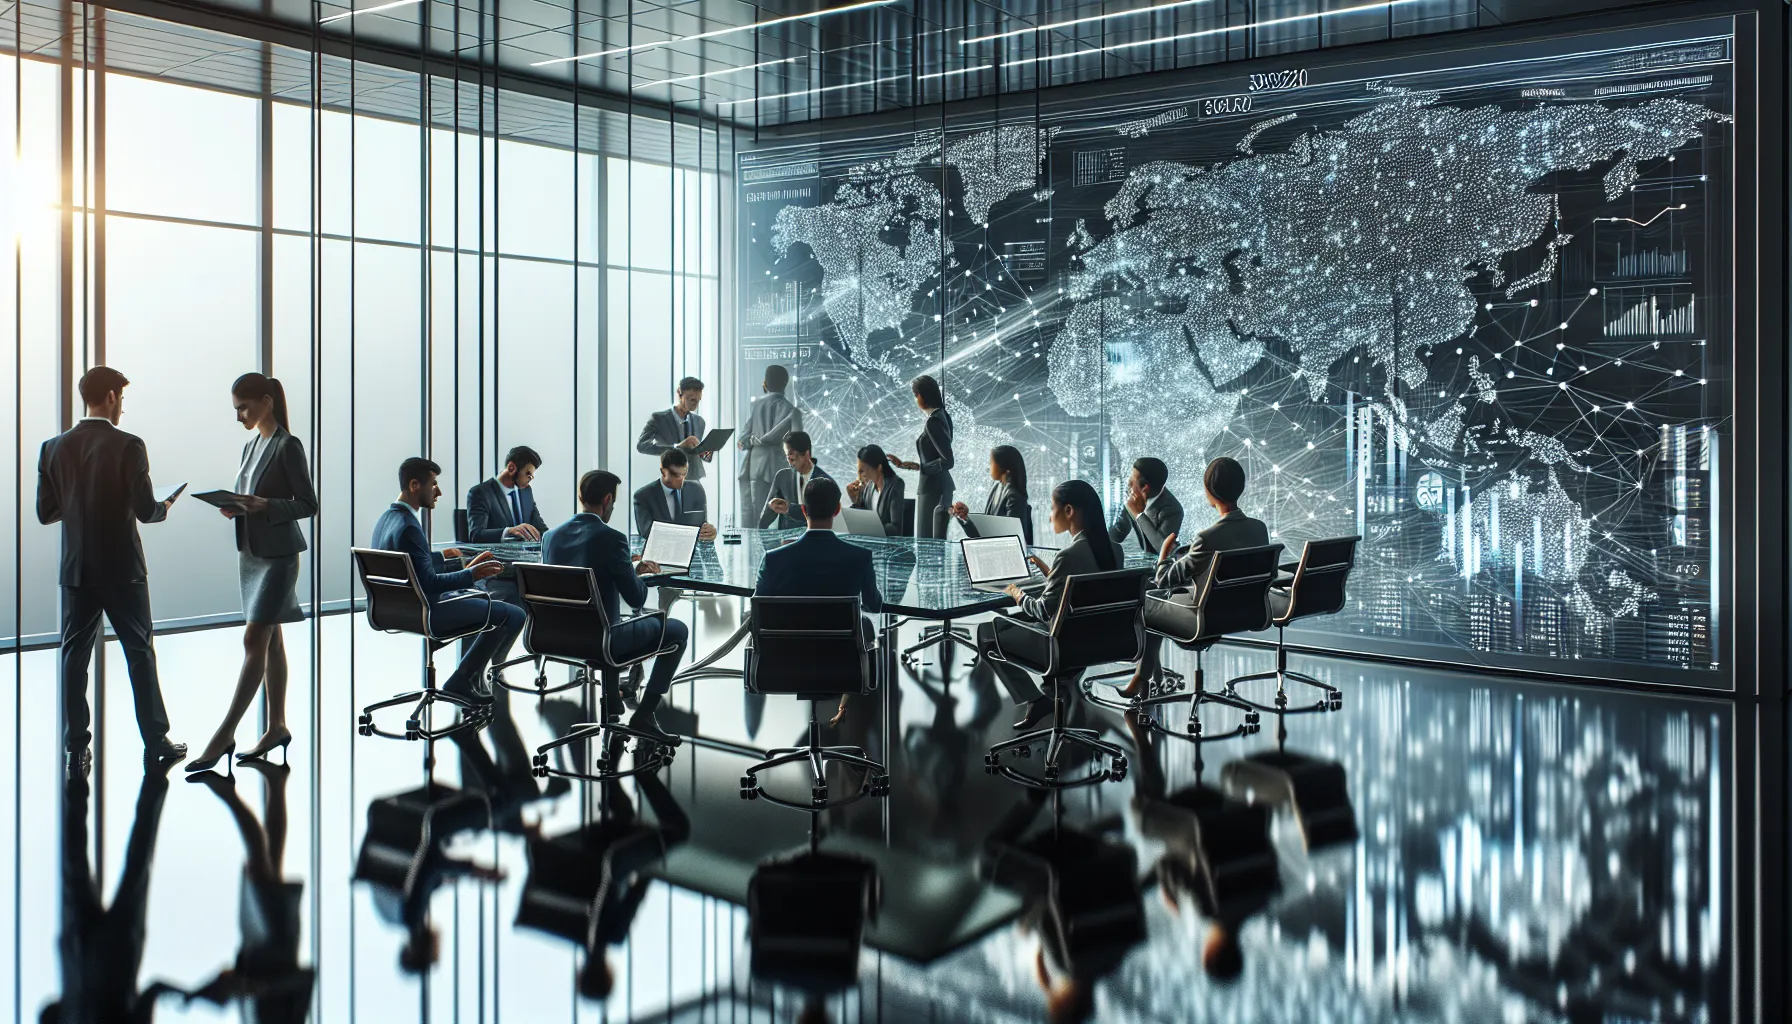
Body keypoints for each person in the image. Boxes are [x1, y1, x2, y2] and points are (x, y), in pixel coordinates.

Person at [37, 365, 186, 774]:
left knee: (74, 657)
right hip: (123, 570)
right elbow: (145, 510)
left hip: (77, 571)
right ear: (111, 398)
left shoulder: (52, 448)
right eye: (122, 398)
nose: (122, 408)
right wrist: (165, 508)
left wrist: (77, 500)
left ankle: (75, 749)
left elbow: (45, 512)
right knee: (139, 653)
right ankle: (157, 741)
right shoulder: (129, 445)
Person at [189, 373, 318, 774]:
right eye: (236, 409)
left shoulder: (288, 445)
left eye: (243, 407)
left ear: (266, 400)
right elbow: (251, 496)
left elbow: (308, 504)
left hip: (279, 557)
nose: (239, 416)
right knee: (272, 639)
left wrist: (265, 505)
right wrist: (237, 506)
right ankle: (277, 725)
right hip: (252, 554)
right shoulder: (250, 446)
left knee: (254, 636)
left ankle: (224, 734)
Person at [544, 470, 691, 742]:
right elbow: (636, 597)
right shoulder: (611, 538)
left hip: (556, 638)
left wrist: (627, 567)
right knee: (677, 630)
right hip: (603, 641)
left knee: (605, 617)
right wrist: (640, 574)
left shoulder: (550, 537)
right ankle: (644, 715)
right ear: (608, 499)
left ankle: (612, 700)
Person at [369, 457, 525, 703]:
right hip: (430, 611)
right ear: (414, 486)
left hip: (396, 611)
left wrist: (445, 557)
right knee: (514, 614)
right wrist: (471, 574)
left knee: (485, 604)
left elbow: (411, 564)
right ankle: (461, 680)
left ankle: (467, 677)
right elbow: (429, 583)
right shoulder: (410, 527)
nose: (438, 491)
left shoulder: (387, 520)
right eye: (433, 484)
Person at [975, 480, 1125, 730]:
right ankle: (1059, 686)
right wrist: (1051, 574)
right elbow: (1083, 592)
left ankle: (1036, 699)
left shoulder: (1068, 556)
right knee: (1019, 623)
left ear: (1069, 511)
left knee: (987, 633)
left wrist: (1017, 593)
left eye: (1053, 507)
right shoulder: (1114, 551)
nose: (1049, 514)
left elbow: (1043, 610)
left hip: (1061, 645)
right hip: (1097, 641)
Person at [44, 762, 179, 1024]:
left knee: (137, 866)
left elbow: (154, 991)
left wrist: (190, 996)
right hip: (80, 953)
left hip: (116, 955)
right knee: (77, 866)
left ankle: (155, 775)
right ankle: (77, 774)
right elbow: (48, 1012)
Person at [1121, 456, 1268, 697]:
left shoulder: (1207, 538)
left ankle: (1142, 677)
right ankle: (1148, 677)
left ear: (1209, 492)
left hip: (1204, 618)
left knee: (1147, 600)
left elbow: (1164, 579)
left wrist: (1165, 555)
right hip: (1245, 613)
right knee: (1156, 601)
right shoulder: (1259, 529)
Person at [885, 374, 954, 539]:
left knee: (927, 542)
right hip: (938, 487)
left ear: (923, 396)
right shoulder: (943, 416)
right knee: (933, 542)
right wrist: (907, 465)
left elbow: (948, 461)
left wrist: (920, 467)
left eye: (916, 395)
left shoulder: (934, 422)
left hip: (933, 489)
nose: (915, 400)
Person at [737, 364, 801, 522]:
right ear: (785, 384)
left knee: (756, 512)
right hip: (778, 465)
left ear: (765, 383)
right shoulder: (790, 409)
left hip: (754, 464)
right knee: (779, 514)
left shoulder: (757, 405)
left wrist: (749, 442)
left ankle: (752, 546)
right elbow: (798, 442)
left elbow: (743, 438)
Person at [951, 444, 1034, 545]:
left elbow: (1011, 539)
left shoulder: (1014, 498)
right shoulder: (996, 488)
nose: (989, 466)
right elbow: (983, 534)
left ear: (1003, 466)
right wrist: (965, 518)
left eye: (991, 463)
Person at [465, 445, 550, 543]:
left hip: (527, 556)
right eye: (528, 474)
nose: (531, 479)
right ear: (511, 468)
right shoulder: (480, 493)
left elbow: (541, 528)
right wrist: (509, 531)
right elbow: (476, 535)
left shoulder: (526, 491)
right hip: (496, 557)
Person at [632, 448, 717, 542]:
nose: (681, 479)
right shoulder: (643, 496)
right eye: (676, 475)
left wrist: (709, 531)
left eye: (684, 474)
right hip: (659, 553)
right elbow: (647, 532)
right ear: (663, 472)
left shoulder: (696, 489)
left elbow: (701, 524)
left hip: (692, 552)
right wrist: (688, 533)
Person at [636, 376, 711, 482]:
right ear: (679, 393)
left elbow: (705, 457)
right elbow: (642, 446)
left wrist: (706, 449)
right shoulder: (659, 419)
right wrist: (677, 447)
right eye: (692, 399)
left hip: (694, 479)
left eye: (698, 401)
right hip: (670, 478)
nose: (695, 404)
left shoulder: (700, 422)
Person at [1109, 456, 1183, 558]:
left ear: (1145, 488)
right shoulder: (1133, 496)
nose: (1128, 484)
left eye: (1132, 481)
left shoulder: (1173, 510)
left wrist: (1138, 514)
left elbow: (1162, 549)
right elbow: (1116, 536)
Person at [759, 430, 832, 530]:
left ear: (807, 455)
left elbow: (819, 516)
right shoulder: (782, 476)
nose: (789, 463)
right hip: (786, 541)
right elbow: (765, 519)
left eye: (792, 458)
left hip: (814, 540)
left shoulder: (825, 482)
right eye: (787, 458)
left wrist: (789, 509)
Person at [845, 443, 906, 535]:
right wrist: (856, 502)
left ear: (879, 467)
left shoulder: (896, 485)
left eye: (862, 471)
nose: (859, 477)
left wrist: (868, 528)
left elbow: (895, 529)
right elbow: (864, 517)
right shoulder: (869, 486)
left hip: (886, 545)